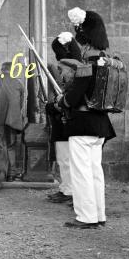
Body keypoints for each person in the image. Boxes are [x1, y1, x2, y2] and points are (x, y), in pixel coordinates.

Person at [56, 8, 116, 229]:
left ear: (86, 40)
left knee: (81, 174)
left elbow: (72, 99)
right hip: (100, 125)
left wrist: (62, 101)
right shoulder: (107, 63)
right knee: (95, 173)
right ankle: (98, 214)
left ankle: (85, 216)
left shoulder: (86, 67)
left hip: (82, 124)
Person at [46, 32, 82, 204]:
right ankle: (66, 188)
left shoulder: (75, 77)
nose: (61, 70)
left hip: (68, 122)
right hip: (62, 122)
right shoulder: (68, 77)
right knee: (63, 159)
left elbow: (68, 100)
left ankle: (70, 191)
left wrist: (54, 105)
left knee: (68, 160)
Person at [0, 62, 25, 191]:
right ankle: (11, 174)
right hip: (13, 120)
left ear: (2, 70)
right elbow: (21, 103)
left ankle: (0, 172)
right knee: (11, 146)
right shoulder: (19, 84)